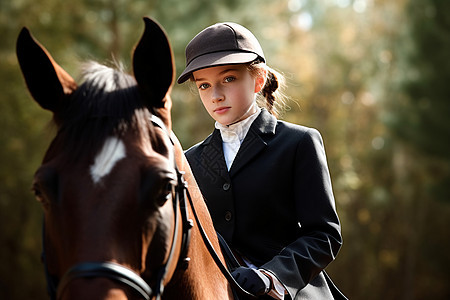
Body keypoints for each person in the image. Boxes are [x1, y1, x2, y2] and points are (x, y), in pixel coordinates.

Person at [177, 22, 346, 300]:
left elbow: (324, 235)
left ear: (258, 80)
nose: (215, 94)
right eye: (204, 85)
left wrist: (271, 276)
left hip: (289, 292)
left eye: (228, 79)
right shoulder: (189, 161)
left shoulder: (298, 142)